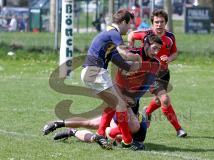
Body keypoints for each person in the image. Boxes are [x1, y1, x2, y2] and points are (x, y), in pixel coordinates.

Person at [43, 34, 163, 150]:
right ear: (146, 44)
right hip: (121, 99)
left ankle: (70, 129)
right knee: (122, 128)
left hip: (131, 103)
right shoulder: (131, 55)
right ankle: (115, 136)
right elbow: (118, 75)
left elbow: (146, 84)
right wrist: (121, 95)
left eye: (158, 49)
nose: (156, 52)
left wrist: (134, 98)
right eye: (154, 48)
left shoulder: (155, 63)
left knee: (95, 126)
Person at [44, 9, 141, 150]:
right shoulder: (113, 33)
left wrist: (135, 67)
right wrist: (137, 57)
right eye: (130, 24)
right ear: (124, 22)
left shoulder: (108, 37)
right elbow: (125, 53)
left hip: (89, 73)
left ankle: (101, 134)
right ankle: (127, 141)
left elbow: (121, 62)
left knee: (114, 105)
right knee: (120, 105)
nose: (130, 28)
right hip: (96, 72)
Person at [128, 9, 187, 138]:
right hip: (149, 74)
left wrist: (169, 59)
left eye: (161, 22)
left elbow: (175, 53)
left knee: (159, 101)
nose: (159, 24)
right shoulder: (146, 34)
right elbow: (131, 35)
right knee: (165, 99)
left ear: (166, 23)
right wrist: (130, 49)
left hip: (164, 73)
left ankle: (147, 112)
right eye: (156, 22)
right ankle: (179, 129)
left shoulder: (170, 37)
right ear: (152, 23)